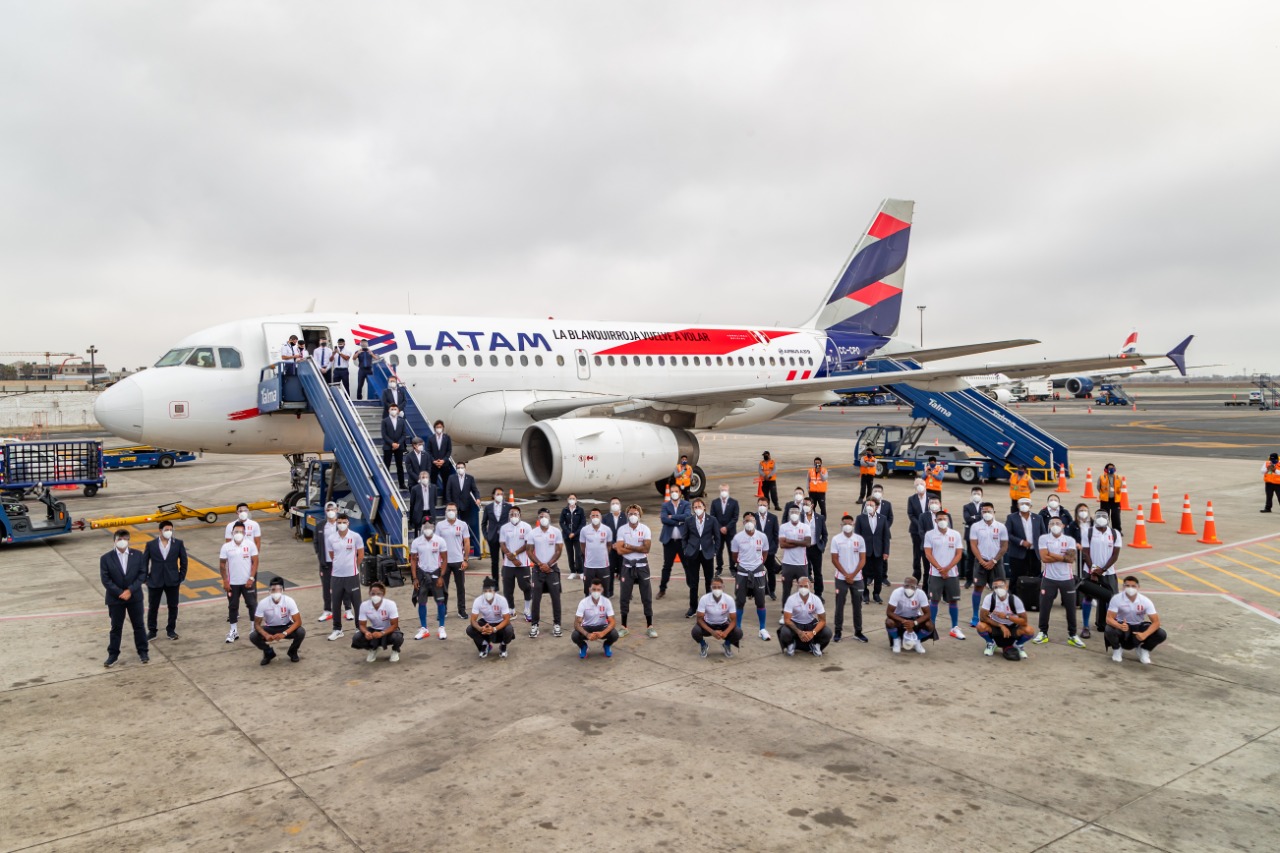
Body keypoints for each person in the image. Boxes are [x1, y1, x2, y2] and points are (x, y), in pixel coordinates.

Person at [1035, 517, 1086, 648]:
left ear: (1063, 526)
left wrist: (1053, 554)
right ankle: (1043, 632)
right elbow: (1044, 558)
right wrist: (1063, 557)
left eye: (1057, 523)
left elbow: (1071, 559)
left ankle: (1073, 635)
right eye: (1052, 523)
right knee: (1045, 606)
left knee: (1070, 608)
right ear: (1048, 526)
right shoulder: (1043, 538)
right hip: (1049, 579)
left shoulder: (1069, 540)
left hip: (1067, 579)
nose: (1055, 525)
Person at [100, 529, 148, 667]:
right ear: (114, 541)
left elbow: (142, 575)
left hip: (134, 597)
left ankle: (143, 652)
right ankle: (113, 655)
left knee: (138, 625)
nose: (122, 541)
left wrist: (130, 590)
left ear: (128, 540)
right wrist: (121, 592)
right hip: (116, 599)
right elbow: (105, 579)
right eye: (119, 539)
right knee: (116, 627)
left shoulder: (138, 555)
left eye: (125, 539)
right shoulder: (106, 558)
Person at [922, 511, 966, 640]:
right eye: (939, 519)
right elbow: (928, 554)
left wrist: (947, 569)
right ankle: (932, 627)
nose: (942, 520)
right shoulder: (930, 535)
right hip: (935, 574)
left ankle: (954, 627)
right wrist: (940, 569)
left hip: (952, 574)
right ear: (935, 521)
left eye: (944, 518)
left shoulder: (955, 534)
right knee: (934, 600)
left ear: (948, 520)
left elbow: (959, 554)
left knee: (953, 600)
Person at [614, 505, 657, 638]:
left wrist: (628, 546)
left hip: (642, 566)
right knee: (624, 596)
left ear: (640, 515)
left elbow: (647, 549)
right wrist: (638, 547)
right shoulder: (622, 529)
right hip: (627, 567)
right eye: (631, 513)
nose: (633, 515)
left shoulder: (645, 529)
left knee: (647, 596)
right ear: (627, 515)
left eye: (635, 513)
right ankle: (624, 626)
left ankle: (650, 626)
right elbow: (620, 550)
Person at [1079, 511, 1124, 635]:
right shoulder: (1088, 533)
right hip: (1089, 571)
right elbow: (1085, 553)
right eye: (1098, 516)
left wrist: (1103, 569)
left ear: (1108, 519)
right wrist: (1093, 570)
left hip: (1108, 572)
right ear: (1094, 519)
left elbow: (1115, 555)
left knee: (1112, 598)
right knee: (1088, 597)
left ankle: (1106, 623)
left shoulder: (1115, 534)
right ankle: (1086, 627)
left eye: (1104, 517)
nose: (1101, 519)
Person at [730, 511, 772, 641]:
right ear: (743, 523)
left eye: (752, 520)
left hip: (758, 573)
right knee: (740, 601)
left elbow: (765, 553)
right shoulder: (737, 538)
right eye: (747, 521)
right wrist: (744, 564)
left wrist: (758, 564)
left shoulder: (762, 537)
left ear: (755, 522)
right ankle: (737, 628)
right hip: (742, 573)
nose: (749, 523)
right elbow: (735, 556)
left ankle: (762, 629)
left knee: (760, 602)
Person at [143, 520, 188, 641]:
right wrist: (145, 578)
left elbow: (184, 561)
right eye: (166, 530)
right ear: (160, 530)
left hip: (172, 580)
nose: (169, 532)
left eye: (170, 530)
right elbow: (144, 562)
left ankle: (171, 630)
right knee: (153, 607)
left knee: (173, 606)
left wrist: (181, 576)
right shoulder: (151, 544)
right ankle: (152, 631)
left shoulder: (178, 543)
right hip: (155, 581)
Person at [1106, 576, 1166, 664]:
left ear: (1138, 587)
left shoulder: (1145, 601)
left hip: (1138, 625)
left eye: (1133, 586)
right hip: (1123, 625)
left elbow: (1156, 622)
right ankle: (1117, 649)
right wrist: (1119, 625)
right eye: (1127, 586)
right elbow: (1109, 618)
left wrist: (1145, 634)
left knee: (1161, 634)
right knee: (1109, 629)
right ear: (1123, 587)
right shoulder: (1116, 599)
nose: (1130, 588)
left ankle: (1144, 650)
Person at [968, 502, 1009, 628]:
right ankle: (975, 615)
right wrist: (981, 561)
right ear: (981, 513)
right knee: (978, 588)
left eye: (989, 511)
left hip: (996, 562)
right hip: (981, 562)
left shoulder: (1001, 527)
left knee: (999, 590)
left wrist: (994, 561)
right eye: (984, 512)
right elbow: (973, 545)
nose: (986, 514)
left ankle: (997, 614)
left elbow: (1004, 546)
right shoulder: (975, 527)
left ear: (994, 512)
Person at [830, 513, 868, 643]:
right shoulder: (836, 539)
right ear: (841, 525)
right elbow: (834, 560)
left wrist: (852, 575)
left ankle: (858, 631)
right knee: (839, 605)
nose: (847, 526)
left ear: (853, 525)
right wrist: (846, 575)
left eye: (849, 524)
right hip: (841, 578)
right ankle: (838, 631)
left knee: (858, 606)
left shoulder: (860, 539)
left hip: (857, 579)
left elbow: (863, 559)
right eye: (845, 524)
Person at [219, 521, 259, 644]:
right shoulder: (226, 547)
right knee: (233, 606)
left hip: (247, 582)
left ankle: (254, 629)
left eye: (241, 532)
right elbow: (222, 564)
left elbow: (255, 562)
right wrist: (225, 581)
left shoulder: (250, 545)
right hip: (233, 584)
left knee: (252, 605)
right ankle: (233, 631)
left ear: (245, 533)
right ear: (232, 533)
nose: (239, 534)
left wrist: (251, 578)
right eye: (236, 532)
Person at [976, 578, 1035, 659]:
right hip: (995, 625)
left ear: (1006, 587)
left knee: (1029, 630)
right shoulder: (989, 598)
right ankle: (991, 643)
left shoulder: (1015, 600)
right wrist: (1000, 625)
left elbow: (1024, 621)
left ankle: (1018, 644)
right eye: (995, 587)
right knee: (980, 626)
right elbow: (983, 617)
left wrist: (1007, 617)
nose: (998, 589)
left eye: (1000, 586)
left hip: (1012, 627)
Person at [528, 508, 565, 638]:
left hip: (552, 570)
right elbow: (529, 551)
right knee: (536, 599)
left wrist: (548, 565)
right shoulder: (533, 533)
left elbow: (559, 551)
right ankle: (534, 625)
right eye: (541, 516)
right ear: (538, 518)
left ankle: (557, 624)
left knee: (555, 598)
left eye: (545, 516)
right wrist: (540, 564)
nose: (543, 518)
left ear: (549, 518)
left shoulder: (556, 532)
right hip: (538, 570)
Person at [250, 578, 305, 664]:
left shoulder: (289, 601)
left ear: (283, 590)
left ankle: (292, 651)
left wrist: (284, 633)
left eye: (278, 589)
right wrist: (266, 634)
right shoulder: (263, 603)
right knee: (253, 636)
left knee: (301, 632)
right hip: (270, 628)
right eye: (273, 589)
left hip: (286, 626)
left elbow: (298, 622)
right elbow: (256, 624)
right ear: (269, 590)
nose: (276, 592)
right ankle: (268, 653)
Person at [326, 513, 364, 641]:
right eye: (339, 522)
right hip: (336, 576)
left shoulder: (355, 537)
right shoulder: (331, 538)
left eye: (344, 522)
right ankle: (337, 629)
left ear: (348, 523)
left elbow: (361, 555)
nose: (342, 524)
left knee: (357, 603)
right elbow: (332, 555)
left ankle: (360, 628)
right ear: (336, 523)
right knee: (336, 603)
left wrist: (353, 567)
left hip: (352, 576)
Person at [681, 498, 720, 618]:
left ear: (704, 507)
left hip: (707, 553)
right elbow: (684, 537)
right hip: (693, 554)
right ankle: (693, 607)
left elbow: (717, 537)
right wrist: (686, 550)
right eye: (695, 507)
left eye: (699, 506)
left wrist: (714, 551)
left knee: (709, 581)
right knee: (693, 583)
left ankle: (709, 607)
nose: (697, 509)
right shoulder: (689, 520)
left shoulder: (712, 520)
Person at [410, 519, 448, 640]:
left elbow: (445, 559)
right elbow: (413, 560)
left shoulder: (440, 541)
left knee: (440, 601)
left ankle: (441, 627)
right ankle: (424, 628)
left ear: (433, 527)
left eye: (429, 526)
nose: (427, 528)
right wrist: (415, 578)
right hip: (422, 574)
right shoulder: (416, 542)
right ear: (422, 527)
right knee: (422, 601)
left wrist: (442, 576)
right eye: (425, 526)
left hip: (436, 573)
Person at [779, 576, 832, 656]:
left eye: (805, 586)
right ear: (797, 586)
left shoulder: (816, 600)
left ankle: (816, 645)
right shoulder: (791, 599)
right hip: (795, 623)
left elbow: (822, 620)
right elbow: (787, 620)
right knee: (784, 631)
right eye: (801, 586)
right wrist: (799, 632)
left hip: (810, 623)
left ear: (810, 586)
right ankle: (791, 644)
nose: (803, 588)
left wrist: (812, 633)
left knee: (827, 632)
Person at [499, 506, 534, 624]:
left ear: (520, 515)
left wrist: (515, 554)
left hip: (523, 564)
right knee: (508, 589)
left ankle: (527, 610)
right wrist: (512, 558)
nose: (513, 516)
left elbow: (527, 544)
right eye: (511, 514)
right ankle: (511, 610)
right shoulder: (504, 528)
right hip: (508, 565)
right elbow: (502, 544)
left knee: (527, 587)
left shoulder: (527, 527)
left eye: (516, 514)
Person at [352, 582, 403, 663]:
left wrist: (382, 633)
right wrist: (366, 632)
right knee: (356, 638)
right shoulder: (364, 605)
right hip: (374, 629)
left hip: (389, 630)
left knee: (398, 637)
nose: (375, 596)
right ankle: (373, 648)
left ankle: (395, 650)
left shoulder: (390, 604)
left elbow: (395, 625)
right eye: (373, 593)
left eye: (378, 594)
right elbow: (361, 625)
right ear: (369, 593)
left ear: (383, 594)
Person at [436, 503, 471, 619]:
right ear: (445, 512)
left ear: (456, 512)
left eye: (453, 510)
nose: (451, 511)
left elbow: (466, 542)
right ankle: (443, 610)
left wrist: (465, 559)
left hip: (458, 560)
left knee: (461, 587)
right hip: (444, 562)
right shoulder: (440, 525)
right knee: (442, 588)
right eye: (448, 510)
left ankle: (461, 610)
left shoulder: (462, 525)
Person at [692, 575, 741, 657]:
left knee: (738, 633)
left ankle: (727, 644)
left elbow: (734, 620)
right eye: (714, 587)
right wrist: (712, 632)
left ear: (723, 587)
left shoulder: (729, 599)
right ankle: (703, 645)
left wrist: (726, 632)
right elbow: (699, 619)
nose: (717, 589)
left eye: (719, 587)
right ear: (711, 587)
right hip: (708, 623)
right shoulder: (704, 599)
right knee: (695, 632)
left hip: (724, 623)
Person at [1004, 499, 1045, 596]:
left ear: (1031, 506)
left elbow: (1043, 534)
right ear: (1018, 506)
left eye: (1027, 504)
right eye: (1022, 504)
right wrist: (1021, 542)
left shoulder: (1038, 518)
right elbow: (1007, 534)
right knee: (1016, 576)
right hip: (1018, 553)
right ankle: (1013, 597)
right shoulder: (1011, 518)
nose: (1024, 506)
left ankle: (1032, 597)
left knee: (1034, 576)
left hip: (1034, 553)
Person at [467, 576, 515, 659]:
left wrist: (494, 629)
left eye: (490, 591)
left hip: (499, 622)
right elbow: (473, 620)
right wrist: (480, 628)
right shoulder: (478, 601)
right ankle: (484, 645)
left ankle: (503, 646)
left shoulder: (501, 600)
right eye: (485, 591)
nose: (488, 593)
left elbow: (507, 619)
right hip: (486, 622)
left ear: (494, 591)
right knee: (470, 629)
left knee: (509, 629)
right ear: (483, 591)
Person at [658, 485, 692, 600]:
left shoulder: (686, 504)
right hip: (669, 542)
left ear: (680, 492)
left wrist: (672, 517)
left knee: (687, 566)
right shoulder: (665, 505)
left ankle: (692, 588)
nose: (674, 493)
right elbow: (664, 519)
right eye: (672, 491)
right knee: (667, 566)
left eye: (676, 491)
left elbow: (687, 517)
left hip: (683, 542)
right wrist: (679, 522)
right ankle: (662, 589)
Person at [855, 496, 891, 605]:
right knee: (864, 574)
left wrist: (886, 551)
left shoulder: (883, 518)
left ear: (876, 507)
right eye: (867, 505)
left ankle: (876, 594)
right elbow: (857, 536)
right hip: (865, 551)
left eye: (871, 505)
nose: (869, 507)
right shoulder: (860, 518)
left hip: (878, 551)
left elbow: (886, 537)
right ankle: (865, 594)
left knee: (878, 574)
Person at [885, 575, 934, 655]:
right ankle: (896, 639)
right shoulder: (897, 592)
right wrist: (904, 621)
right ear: (903, 585)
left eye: (912, 586)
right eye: (907, 585)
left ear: (917, 587)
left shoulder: (921, 594)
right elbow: (889, 612)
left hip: (914, 617)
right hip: (899, 618)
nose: (909, 588)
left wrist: (914, 622)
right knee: (889, 622)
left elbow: (928, 614)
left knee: (929, 625)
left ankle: (917, 640)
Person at [777, 502, 813, 609]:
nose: (794, 514)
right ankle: (785, 612)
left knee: (803, 589)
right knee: (786, 590)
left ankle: (803, 610)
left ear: (800, 513)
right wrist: (799, 542)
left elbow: (807, 543)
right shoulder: (783, 527)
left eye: (796, 512)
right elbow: (783, 544)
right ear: (788, 513)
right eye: (792, 512)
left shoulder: (805, 527)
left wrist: (790, 541)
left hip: (802, 564)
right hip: (787, 564)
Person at [573, 579, 619, 659]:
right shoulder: (583, 603)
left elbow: (613, 622)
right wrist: (587, 634)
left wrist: (603, 633)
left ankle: (607, 645)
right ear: (589, 589)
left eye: (598, 589)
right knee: (575, 635)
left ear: (602, 590)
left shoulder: (606, 602)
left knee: (614, 634)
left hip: (602, 626)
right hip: (587, 627)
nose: (596, 592)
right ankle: (583, 646)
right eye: (594, 589)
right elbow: (576, 624)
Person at [445, 462, 481, 556]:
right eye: (458, 467)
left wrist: (477, 498)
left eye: (461, 467)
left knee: (464, 525)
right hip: (454, 506)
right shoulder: (451, 478)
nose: (460, 469)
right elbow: (448, 491)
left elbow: (475, 490)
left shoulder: (470, 478)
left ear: (465, 468)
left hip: (465, 506)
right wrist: (450, 504)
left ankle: (465, 546)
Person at [313, 501, 340, 623]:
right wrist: (321, 557)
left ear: (337, 510)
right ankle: (327, 610)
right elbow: (316, 543)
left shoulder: (341, 525)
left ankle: (346, 609)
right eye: (328, 509)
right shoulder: (320, 526)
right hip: (326, 563)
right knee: (326, 587)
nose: (330, 511)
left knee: (342, 586)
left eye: (332, 509)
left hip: (339, 562)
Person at [580, 508, 615, 597]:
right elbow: (582, 546)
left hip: (603, 565)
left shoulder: (607, 530)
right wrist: (589, 556)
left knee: (605, 591)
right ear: (590, 517)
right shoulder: (584, 530)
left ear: (601, 517)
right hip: (589, 565)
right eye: (593, 515)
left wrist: (603, 555)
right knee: (588, 591)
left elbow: (609, 545)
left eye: (597, 515)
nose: (595, 517)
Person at [753, 496, 781, 600]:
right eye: (760, 505)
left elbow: (775, 534)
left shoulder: (773, 518)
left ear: (768, 506)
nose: (762, 507)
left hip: (769, 551)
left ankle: (772, 591)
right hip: (756, 551)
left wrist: (774, 548)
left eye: (764, 505)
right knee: (757, 571)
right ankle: (759, 590)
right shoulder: (753, 518)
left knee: (771, 571)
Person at [482, 488, 512, 584]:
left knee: (506, 560)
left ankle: (506, 580)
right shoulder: (488, 507)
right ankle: (495, 582)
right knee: (494, 562)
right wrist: (486, 536)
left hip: (505, 539)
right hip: (493, 537)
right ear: (493, 495)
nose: (500, 496)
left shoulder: (508, 506)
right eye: (498, 494)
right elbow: (483, 523)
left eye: (501, 494)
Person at [709, 484, 739, 576]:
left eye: (725, 490)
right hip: (718, 532)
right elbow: (712, 516)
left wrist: (727, 527)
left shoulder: (734, 502)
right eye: (722, 490)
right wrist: (720, 527)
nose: (724, 492)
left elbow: (735, 517)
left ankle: (733, 568)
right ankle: (719, 568)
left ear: (728, 490)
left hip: (730, 532)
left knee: (731, 550)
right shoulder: (715, 502)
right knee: (718, 550)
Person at [906, 478, 930, 586]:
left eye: (921, 484)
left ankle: (927, 578)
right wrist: (920, 524)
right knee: (917, 555)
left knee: (927, 556)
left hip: (929, 532)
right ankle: (916, 576)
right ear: (915, 488)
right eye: (917, 485)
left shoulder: (932, 498)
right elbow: (911, 514)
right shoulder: (911, 499)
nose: (919, 486)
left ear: (925, 485)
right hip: (915, 531)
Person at [961, 486, 985, 589]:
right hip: (970, 535)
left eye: (978, 494)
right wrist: (978, 517)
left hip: (982, 536)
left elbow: (985, 517)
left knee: (982, 557)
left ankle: (983, 578)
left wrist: (974, 517)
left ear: (982, 495)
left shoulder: (985, 506)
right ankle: (969, 579)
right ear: (971, 495)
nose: (976, 495)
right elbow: (967, 519)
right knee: (970, 558)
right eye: (974, 493)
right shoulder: (966, 506)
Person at [803, 499, 828, 599]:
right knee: (803, 573)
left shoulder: (819, 518)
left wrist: (822, 545)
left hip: (815, 548)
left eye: (807, 504)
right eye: (803, 504)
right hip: (803, 548)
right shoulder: (800, 517)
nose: (805, 506)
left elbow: (824, 534)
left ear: (812, 505)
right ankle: (804, 593)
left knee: (818, 573)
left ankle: (818, 594)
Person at [601, 497, 627, 593]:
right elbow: (603, 532)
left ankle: (626, 592)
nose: (615, 505)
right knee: (610, 571)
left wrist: (620, 544)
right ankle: (609, 591)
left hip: (622, 549)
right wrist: (612, 544)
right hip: (610, 549)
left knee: (624, 572)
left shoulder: (625, 517)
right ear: (610, 506)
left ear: (620, 505)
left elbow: (628, 532)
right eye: (613, 503)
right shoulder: (605, 518)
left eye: (616, 503)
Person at [559, 494, 586, 580]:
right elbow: (561, 522)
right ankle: (573, 571)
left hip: (577, 536)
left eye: (573, 498)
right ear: (567, 500)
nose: (572, 500)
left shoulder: (580, 510)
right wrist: (568, 532)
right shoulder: (564, 510)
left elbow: (583, 523)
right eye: (570, 498)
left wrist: (575, 533)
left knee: (578, 554)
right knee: (570, 554)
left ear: (576, 500)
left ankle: (581, 571)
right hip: (567, 537)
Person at [381, 404, 407, 490]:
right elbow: (384, 435)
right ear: (388, 410)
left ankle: (402, 484)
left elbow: (404, 434)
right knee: (386, 465)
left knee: (399, 466)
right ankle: (385, 484)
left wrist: (398, 444)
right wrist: (392, 443)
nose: (393, 410)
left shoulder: (402, 421)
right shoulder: (385, 421)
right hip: (388, 446)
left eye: (395, 409)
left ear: (398, 411)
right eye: (391, 409)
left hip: (399, 446)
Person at [409, 471, 440, 538]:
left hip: (430, 512)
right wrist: (411, 518)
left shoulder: (433, 487)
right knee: (418, 533)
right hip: (420, 512)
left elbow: (434, 501)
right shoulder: (415, 489)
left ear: (429, 478)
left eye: (426, 477)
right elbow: (412, 503)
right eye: (423, 477)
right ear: (420, 479)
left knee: (431, 530)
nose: (425, 479)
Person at [427, 419, 454, 491]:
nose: (439, 429)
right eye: (437, 427)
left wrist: (443, 460)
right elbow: (428, 451)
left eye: (440, 427)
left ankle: (445, 499)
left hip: (444, 464)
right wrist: (433, 461)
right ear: (435, 428)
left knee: (446, 482)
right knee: (433, 482)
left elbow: (449, 450)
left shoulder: (447, 438)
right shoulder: (430, 438)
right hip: (434, 464)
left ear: (443, 428)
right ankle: (433, 498)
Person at [1096, 463, 1124, 532]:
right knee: (1104, 516)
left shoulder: (1118, 477)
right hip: (1105, 500)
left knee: (1116, 516)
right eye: (1109, 468)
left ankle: (1117, 531)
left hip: (1115, 500)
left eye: (1112, 468)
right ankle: (1104, 530)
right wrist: (1103, 494)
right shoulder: (1102, 477)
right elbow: (1098, 487)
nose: (1111, 469)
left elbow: (1121, 486)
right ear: (1106, 469)